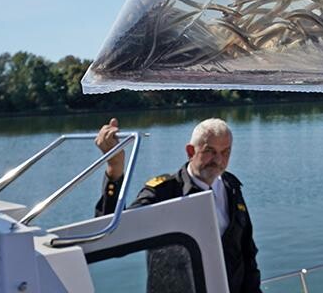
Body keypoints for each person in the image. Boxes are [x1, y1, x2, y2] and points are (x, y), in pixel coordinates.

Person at [95, 117, 261, 293]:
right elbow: (113, 234)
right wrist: (115, 169)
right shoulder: (164, 192)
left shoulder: (231, 187)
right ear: (190, 151)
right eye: (210, 151)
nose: (218, 160)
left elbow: (247, 252)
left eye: (225, 152)